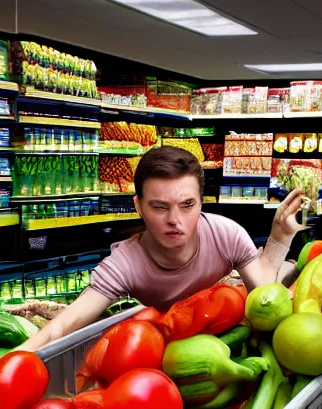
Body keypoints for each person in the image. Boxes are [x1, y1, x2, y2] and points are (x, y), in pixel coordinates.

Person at [20, 146, 305, 352]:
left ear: (201, 203)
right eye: (159, 207)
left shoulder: (225, 234)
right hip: (159, 355)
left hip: (224, 348)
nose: (174, 220)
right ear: (138, 206)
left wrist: (280, 237)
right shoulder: (125, 262)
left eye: (187, 205)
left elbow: (265, 292)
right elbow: (63, 324)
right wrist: (2, 368)